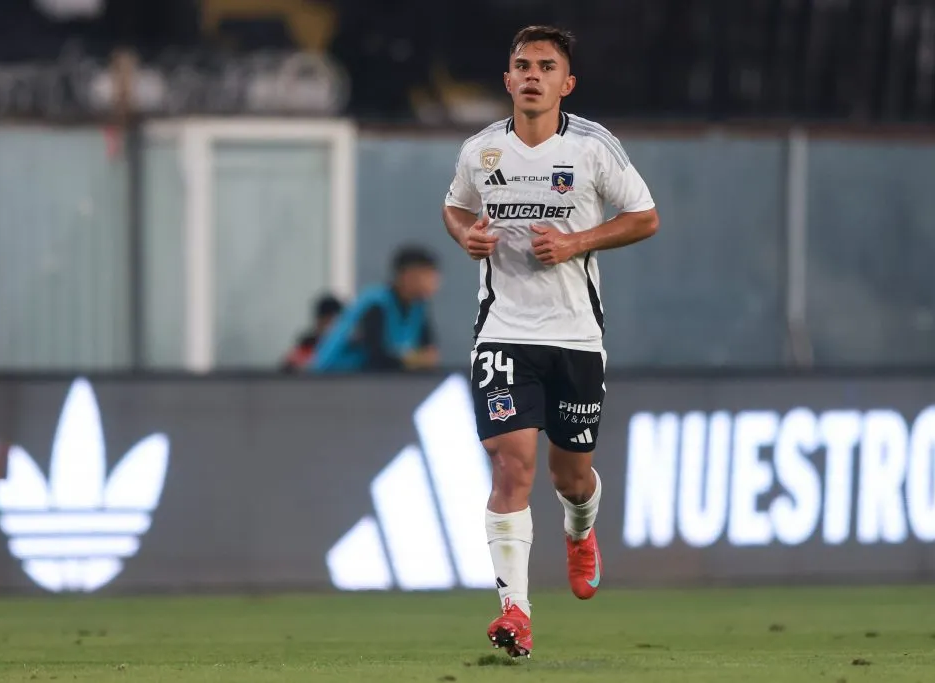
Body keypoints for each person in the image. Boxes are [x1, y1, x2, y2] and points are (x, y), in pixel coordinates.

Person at [441, 25, 660, 658]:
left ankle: (581, 526)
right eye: (521, 65)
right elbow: (455, 207)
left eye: (545, 65)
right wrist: (464, 236)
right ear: (507, 80)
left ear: (567, 83)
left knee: (572, 477)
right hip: (503, 333)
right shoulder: (481, 152)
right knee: (511, 465)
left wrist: (575, 241)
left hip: (574, 338)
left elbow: (645, 217)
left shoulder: (594, 148)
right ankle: (516, 613)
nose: (532, 74)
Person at [307, 246, 440, 372]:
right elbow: (374, 355)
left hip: (376, 383)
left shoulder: (418, 308)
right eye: (427, 275)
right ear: (407, 276)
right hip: (336, 378)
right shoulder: (375, 304)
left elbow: (428, 352)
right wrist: (412, 360)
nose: (434, 282)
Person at [280, 294, 345, 371]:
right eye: (327, 321)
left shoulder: (345, 349)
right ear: (319, 321)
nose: (331, 328)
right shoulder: (304, 347)